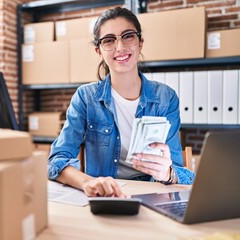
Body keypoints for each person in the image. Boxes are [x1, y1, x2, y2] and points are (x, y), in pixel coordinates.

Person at [48, 7, 195, 198]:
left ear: (140, 43)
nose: (120, 47)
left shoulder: (166, 98)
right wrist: (88, 182)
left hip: (153, 195)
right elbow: (57, 160)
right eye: (109, 40)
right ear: (98, 50)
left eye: (128, 36)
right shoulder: (85, 97)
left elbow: (180, 172)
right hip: (106, 195)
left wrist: (167, 173)